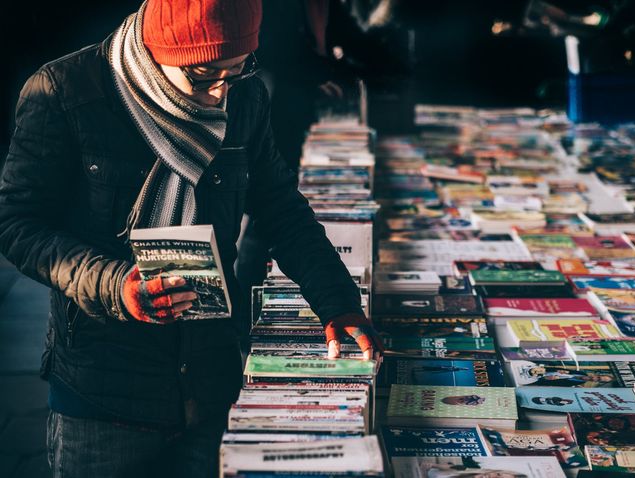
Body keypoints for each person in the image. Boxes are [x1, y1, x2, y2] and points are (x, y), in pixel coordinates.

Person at [0, 0, 381, 476]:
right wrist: (116, 284)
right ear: (160, 50)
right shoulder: (64, 92)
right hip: (102, 394)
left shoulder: (244, 99)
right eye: (202, 77)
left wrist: (337, 300)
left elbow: (281, 208)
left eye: (236, 71)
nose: (220, 91)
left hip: (209, 383)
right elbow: (17, 223)